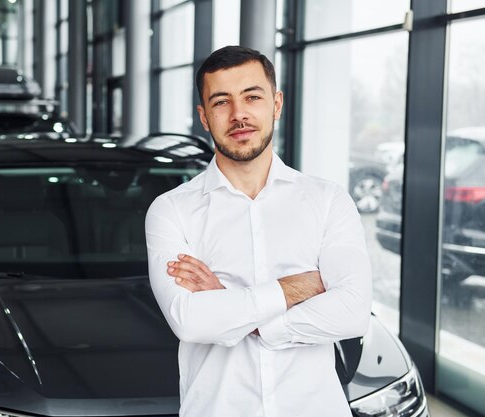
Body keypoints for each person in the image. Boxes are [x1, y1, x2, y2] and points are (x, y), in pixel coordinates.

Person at [145, 45, 372, 417]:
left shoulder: (328, 200)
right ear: (204, 117)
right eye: (221, 102)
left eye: (252, 96)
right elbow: (190, 320)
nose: (239, 115)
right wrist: (293, 288)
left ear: (276, 104)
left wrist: (239, 313)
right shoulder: (172, 210)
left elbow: (352, 312)